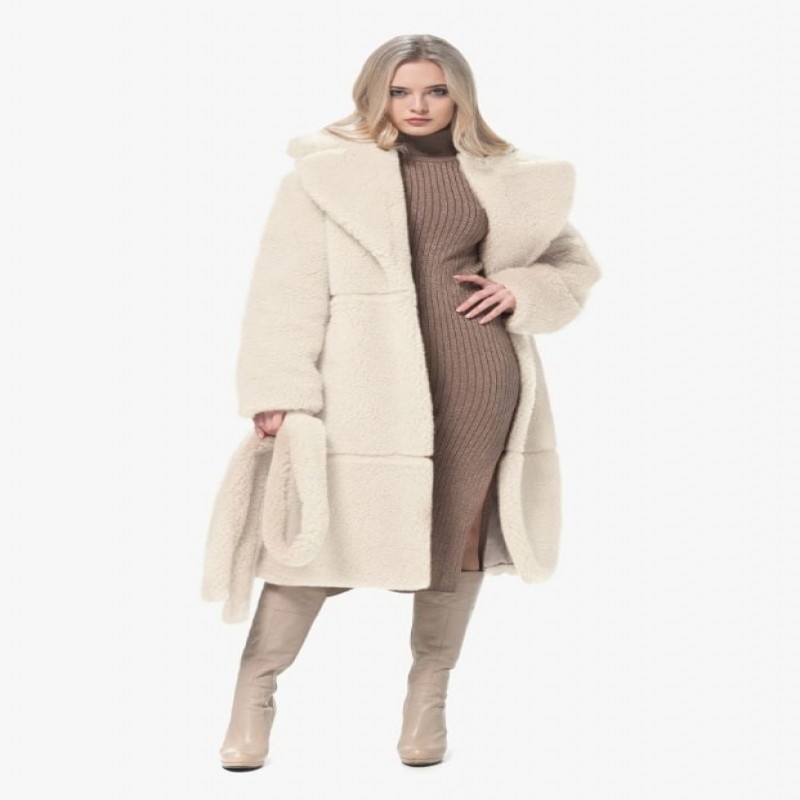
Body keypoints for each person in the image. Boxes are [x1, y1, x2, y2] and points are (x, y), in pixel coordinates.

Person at [207, 33, 602, 771]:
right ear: (375, 94)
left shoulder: (510, 175)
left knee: (456, 539)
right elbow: (283, 289)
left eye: (435, 90)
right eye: (400, 91)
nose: (418, 105)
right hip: (364, 387)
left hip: (479, 379)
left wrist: (522, 289)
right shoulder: (326, 173)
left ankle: (428, 703)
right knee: (314, 541)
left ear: (461, 95)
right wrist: (279, 391)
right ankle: (254, 696)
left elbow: (572, 263)